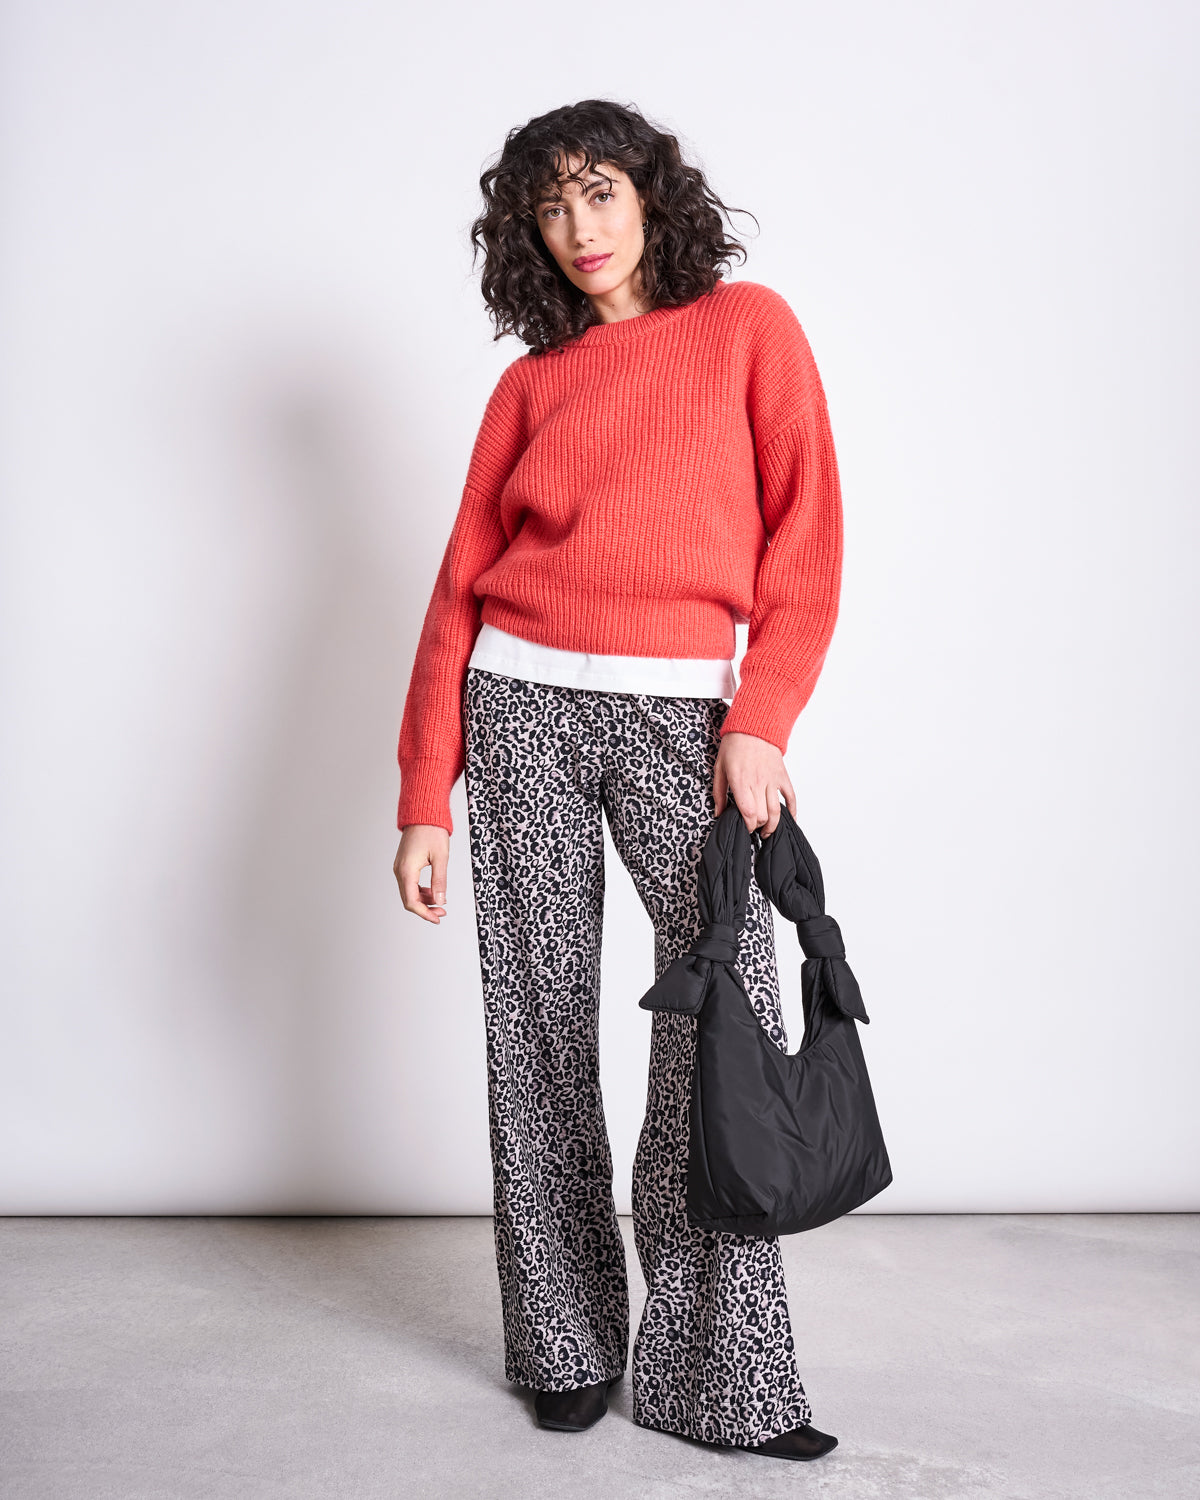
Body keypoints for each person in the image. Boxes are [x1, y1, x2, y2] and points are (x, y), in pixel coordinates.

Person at [393, 99, 844, 1464]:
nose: (578, 227)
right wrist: (425, 789)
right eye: (549, 205)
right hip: (519, 708)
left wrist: (762, 717)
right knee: (533, 1027)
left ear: (651, 195)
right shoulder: (527, 388)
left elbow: (809, 540)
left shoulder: (747, 330)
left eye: (599, 191)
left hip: (683, 724)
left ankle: (725, 1377)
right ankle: (565, 1345)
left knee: (722, 1027)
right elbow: (457, 593)